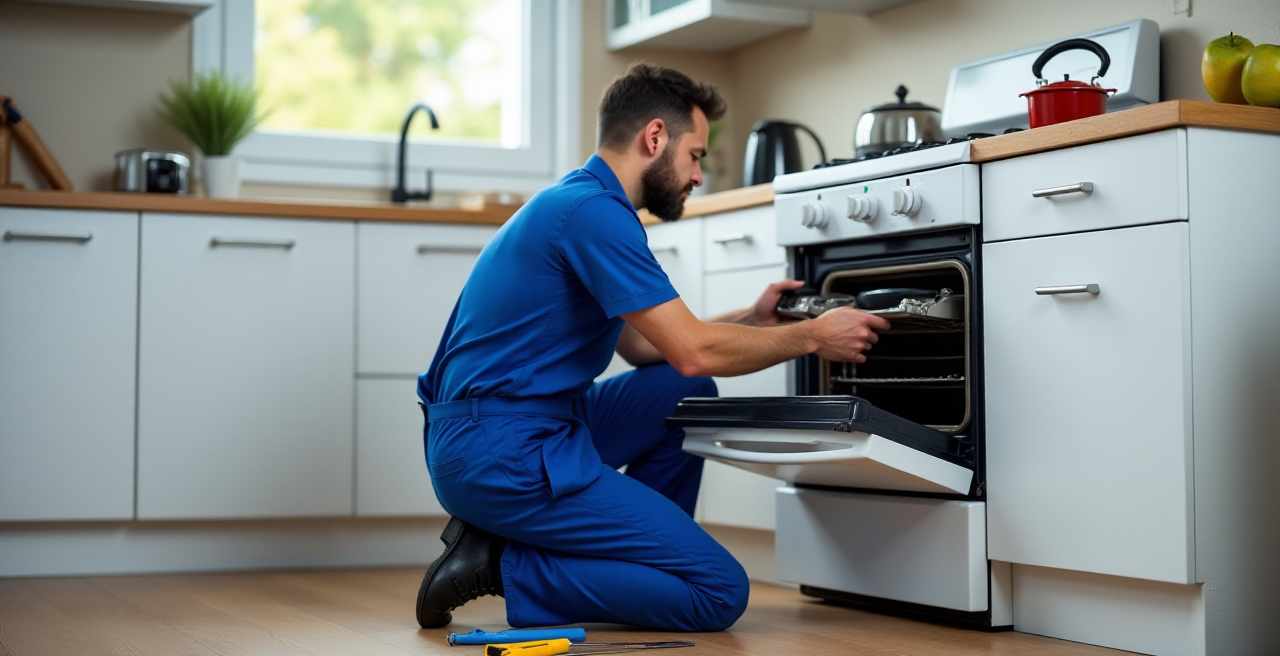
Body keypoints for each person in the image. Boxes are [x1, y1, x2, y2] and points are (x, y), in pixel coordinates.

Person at [414, 63, 889, 632]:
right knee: (718, 592)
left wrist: (756, 321)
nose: (697, 176)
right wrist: (813, 335)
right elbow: (694, 348)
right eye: (695, 156)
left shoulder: (581, 203)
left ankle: (630, 560)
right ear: (655, 137)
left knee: (679, 389)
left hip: (511, 432)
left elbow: (647, 349)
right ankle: (498, 565)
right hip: (501, 451)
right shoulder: (593, 214)